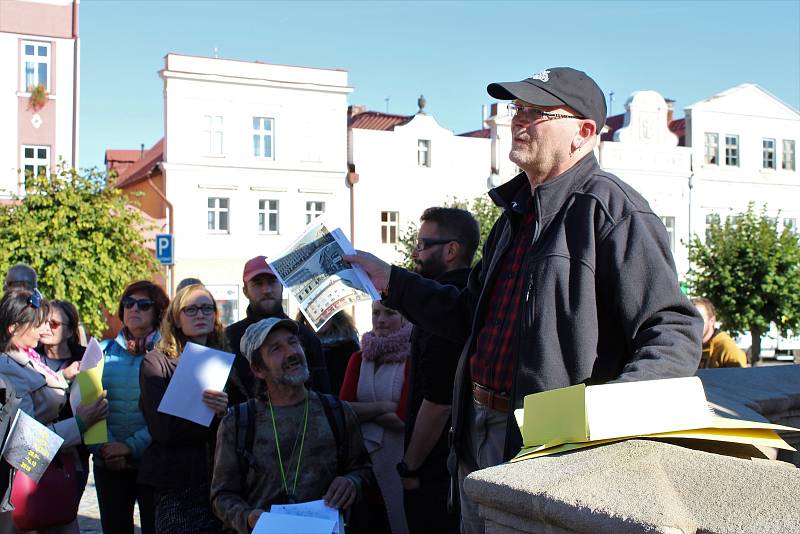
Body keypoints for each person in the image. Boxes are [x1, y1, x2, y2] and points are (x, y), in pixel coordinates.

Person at [345, 67, 703, 533]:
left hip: (551, 449)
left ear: (584, 133)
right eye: (518, 109)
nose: (518, 120)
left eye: (536, 112)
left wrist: (602, 418)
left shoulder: (610, 208)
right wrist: (391, 279)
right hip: (480, 430)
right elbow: (467, 314)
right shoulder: (516, 214)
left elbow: (674, 331)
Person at [210, 318, 372, 534]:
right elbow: (221, 496)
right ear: (258, 369)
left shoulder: (336, 411)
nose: (291, 353)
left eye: (293, 342)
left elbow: (363, 469)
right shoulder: (238, 422)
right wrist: (247, 517)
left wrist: (352, 482)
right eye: (276, 349)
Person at [0, 289, 107, 534]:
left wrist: (64, 377)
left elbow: (35, 395)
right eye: (37, 324)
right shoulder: (6, 369)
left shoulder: (25, 358)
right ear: (13, 328)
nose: (42, 330)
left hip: (48, 474)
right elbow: (23, 443)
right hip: (26, 484)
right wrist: (81, 423)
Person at [399, 207, 478, 534]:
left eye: (423, 245)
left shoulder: (445, 309)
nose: (416, 254)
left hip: (436, 471)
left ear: (451, 250)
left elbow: (438, 403)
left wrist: (410, 467)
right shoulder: (472, 295)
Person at [138, 284, 230, 533]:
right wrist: (214, 420)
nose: (200, 315)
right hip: (175, 482)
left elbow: (244, 420)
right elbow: (164, 430)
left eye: (206, 308)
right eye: (191, 310)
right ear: (177, 319)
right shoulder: (156, 363)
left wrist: (225, 412)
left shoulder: (227, 359)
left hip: (220, 481)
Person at [93, 281, 169, 534]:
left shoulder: (169, 355)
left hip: (152, 461)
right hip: (108, 464)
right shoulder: (97, 352)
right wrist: (106, 448)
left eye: (143, 304)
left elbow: (168, 415)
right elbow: (85, 405)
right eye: (128, 303)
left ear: (158, 311)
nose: (134, 308)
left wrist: (130, 447)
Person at [339, 301, 412, 534]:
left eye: (390, 313)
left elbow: (403, 419)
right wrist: (383, 406)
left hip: (399, 461)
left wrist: (364, 412)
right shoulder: (358, 359)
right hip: (361, 465)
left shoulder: (412, 358)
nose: (380, 319)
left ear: (404, 318)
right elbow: (343, 409)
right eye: (375, 313)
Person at [226, 256, 330, 405]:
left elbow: (323, 395)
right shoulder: (228, 339)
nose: (266, 290)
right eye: (257, 284)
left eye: (272, 282)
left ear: (282, 285)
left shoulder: (305, 335)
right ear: (245, 291)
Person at [36, 300, 88, 500]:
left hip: (74, 454)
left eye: (54, 324)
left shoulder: (84, 358)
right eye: (43, 322)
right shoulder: (32, 357)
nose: (46, 328)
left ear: (69, 331)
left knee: (66, 512)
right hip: (38, 447)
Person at [297, 310, 360, 395]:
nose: (320, 317)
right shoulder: (298, 348)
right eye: (314, 312)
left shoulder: (349, 346)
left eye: (325, 311)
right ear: (305, 317)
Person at [692, 297, 747, 368]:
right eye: (689, 320)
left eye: (698, 320)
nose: (693, 325)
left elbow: (739, 376)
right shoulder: (688, 345)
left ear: (711, 321)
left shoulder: (726, 348)